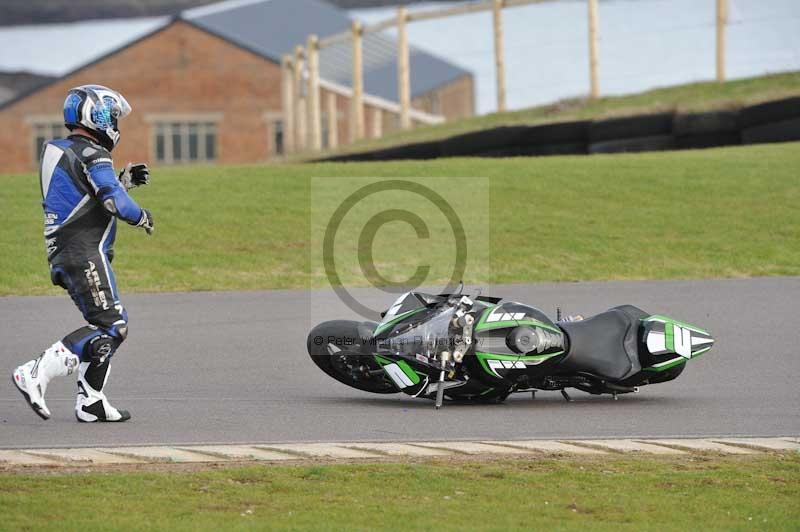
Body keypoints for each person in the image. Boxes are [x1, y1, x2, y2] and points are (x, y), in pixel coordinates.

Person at [11, 84, 154, 422]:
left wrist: (121, 181)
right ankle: (37, 371)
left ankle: (91, 401)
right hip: (83, 251)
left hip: (66, 251)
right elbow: (112, 201)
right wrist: (142, 216)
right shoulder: (93, 154)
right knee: (112, 326)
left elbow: (82, 194)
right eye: (112, 116)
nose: (115, 124)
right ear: (97, 116)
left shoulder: (63, 150)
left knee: (104, 324)